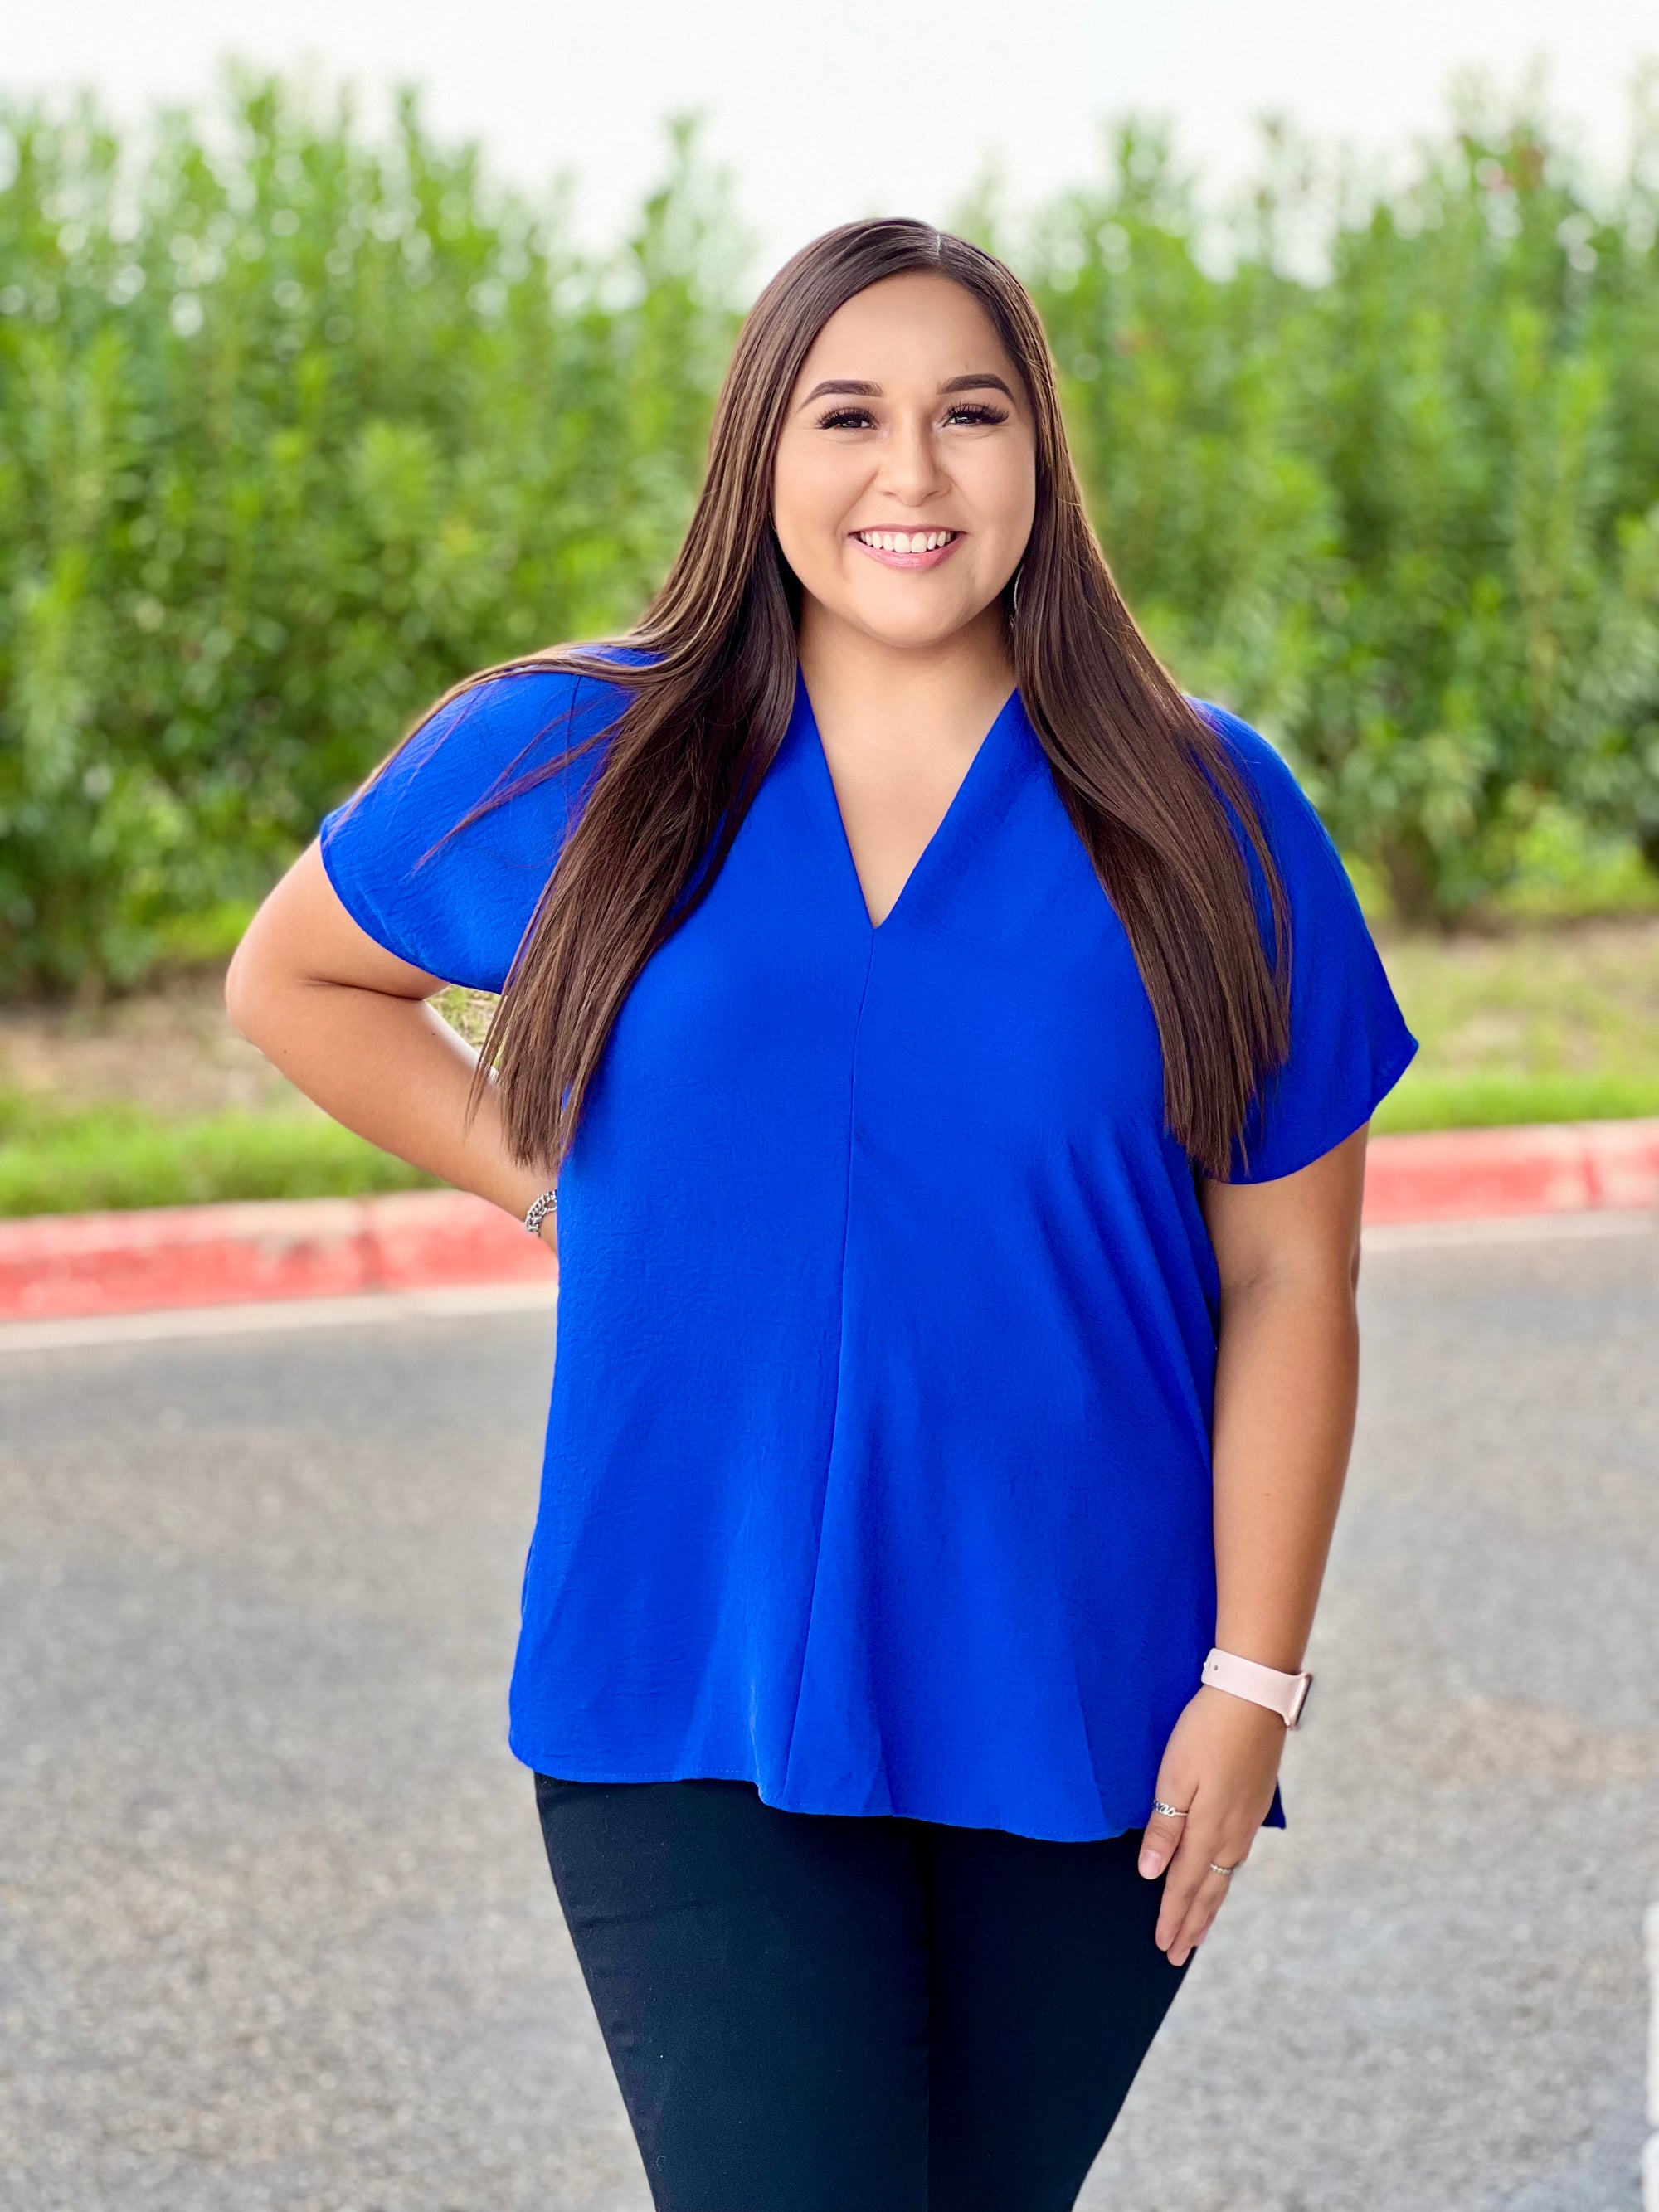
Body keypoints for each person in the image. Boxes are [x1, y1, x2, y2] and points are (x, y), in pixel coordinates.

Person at [226, 218, 1417, 2212]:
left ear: (1041, 455)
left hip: (1087, 1695)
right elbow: (297, 976)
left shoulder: (1208, 807)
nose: (912, 474)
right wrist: (548, 1177)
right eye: (846, 414)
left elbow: (1292, 1269)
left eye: (971, 414)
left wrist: (1252, 1680)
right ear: (757, 451)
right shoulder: (581, 750)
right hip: (684, 1673)